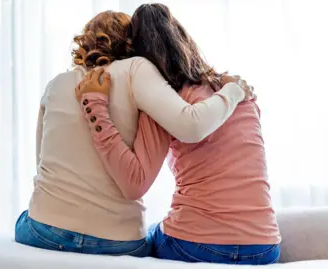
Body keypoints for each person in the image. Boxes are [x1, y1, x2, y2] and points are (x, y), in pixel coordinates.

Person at [14, 10, 250, 257]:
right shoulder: (137, 69)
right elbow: (189, 125)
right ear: (131, 41)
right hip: (118, 240)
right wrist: (233, 91)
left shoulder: (56, 84)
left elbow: (41, 163)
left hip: (45, 230)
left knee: (25, 217)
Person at [74, 3, 281, 264]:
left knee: (143, 238)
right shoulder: (239, 93)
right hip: (264, 246)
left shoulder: (163, 103)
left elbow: (134, 183)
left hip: (196, 244)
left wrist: (96, 109)